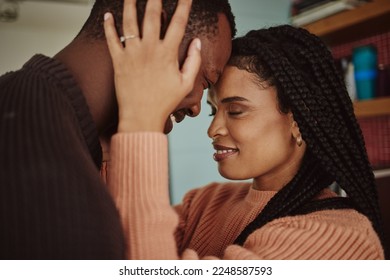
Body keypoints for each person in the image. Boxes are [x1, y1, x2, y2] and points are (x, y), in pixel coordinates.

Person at [104, 7, 386, 258]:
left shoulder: (338, 236)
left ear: (299, 121)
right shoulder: (202, 204)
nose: (213, 129)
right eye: (214, 111)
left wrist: (140, 121)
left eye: (236, 111)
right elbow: (114, 248)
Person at [0, 0, 236, 259]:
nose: (196, 109)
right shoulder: (34, 152)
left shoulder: (58, 124)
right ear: (155, 29)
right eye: (205, 80)